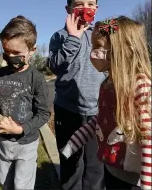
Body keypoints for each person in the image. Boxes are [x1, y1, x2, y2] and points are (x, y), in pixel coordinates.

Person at [61, 16, 152, 190]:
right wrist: (74, 142)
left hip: (134, 178)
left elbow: (148, 137)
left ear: (122, 51)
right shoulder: (107, 85)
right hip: (111, 168)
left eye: (98, 47)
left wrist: (147, 184)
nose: (93, 52)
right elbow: (101, 119)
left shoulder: (140, 86)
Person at [47, 0, 106, 190]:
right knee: (71, 164)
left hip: (98, 112)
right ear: (69, 9)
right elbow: (55, 66)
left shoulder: (101, 36)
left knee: (96, 165)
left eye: (91, 4)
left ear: (96, 9)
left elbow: (109, 68)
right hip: (68, 110)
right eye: (78, 4)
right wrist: (74, 37)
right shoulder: (60, 36)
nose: (85, 8)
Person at [0, 15, 50, 190]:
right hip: (3, 142)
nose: (10, 56)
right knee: (4, 182)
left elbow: (44, 113)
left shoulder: (36, 78)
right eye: (6, 52)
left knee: (22, 186)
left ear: (32, 50)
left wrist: (21, 129)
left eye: (17, 53)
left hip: (26, 142)